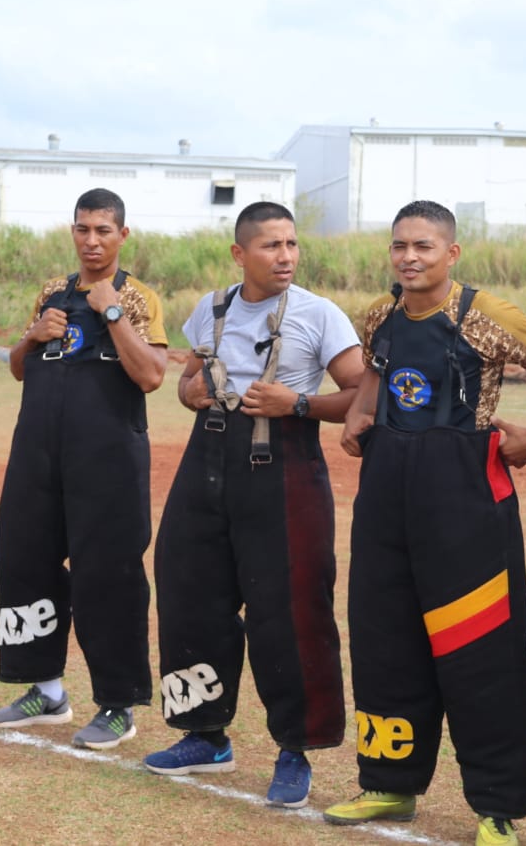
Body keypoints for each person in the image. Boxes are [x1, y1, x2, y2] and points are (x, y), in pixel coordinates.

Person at [322, 200, 526, 845]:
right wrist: (361, 414)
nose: (409, 258)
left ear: (451, 253)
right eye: (399, 246)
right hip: (386, 493)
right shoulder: (380, 315)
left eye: (423, 246)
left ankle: (496, 807)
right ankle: (388, 784)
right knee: (384, 639)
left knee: (481, 651)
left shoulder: (486, 315)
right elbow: (375, 372)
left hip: (464, 496)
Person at [143, 201, 363, 810]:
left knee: (288, 608)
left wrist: (298, 404)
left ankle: (295, 750)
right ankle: (204, 735)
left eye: (291, 244)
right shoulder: (211, 308)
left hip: (284, 465)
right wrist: (192, 390)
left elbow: (361, 393)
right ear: (240, 254)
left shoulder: (320, 314)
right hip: (207, 459)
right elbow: (187, 383)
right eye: (271, 245)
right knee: (189, 594)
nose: (285, 256)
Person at [0, 188, 167, 749]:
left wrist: (110, 310)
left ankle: (117, 704)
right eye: (83, 229)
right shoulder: (52, 293)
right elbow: (19, 368)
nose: (92, 241)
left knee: (106, 576)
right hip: (39, 452)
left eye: (103, 231)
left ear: (122, 236)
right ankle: (45, 690)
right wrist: (32, 335)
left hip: (107, 459)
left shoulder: (137, 297)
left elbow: (151, 375)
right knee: (25, 562)